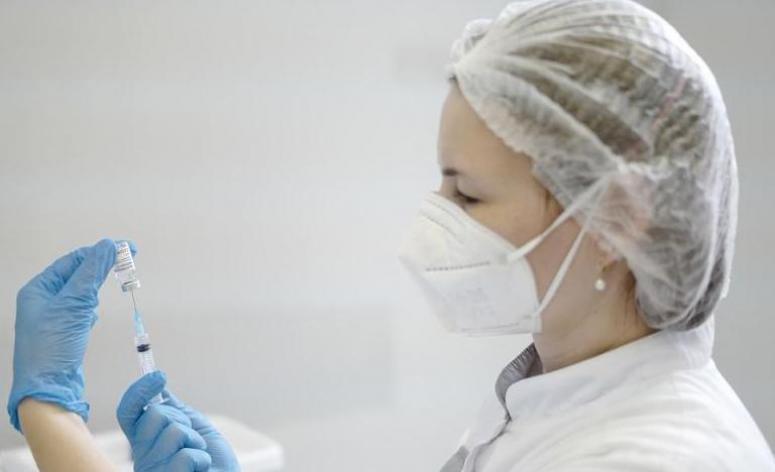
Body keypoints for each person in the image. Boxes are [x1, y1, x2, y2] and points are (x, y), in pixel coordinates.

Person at [6, 0, 775, 470]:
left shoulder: (653, 459)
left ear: (619, 217)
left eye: (467, 193)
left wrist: (49, 413)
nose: (433, 219)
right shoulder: (550, 393)